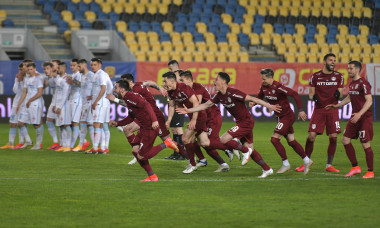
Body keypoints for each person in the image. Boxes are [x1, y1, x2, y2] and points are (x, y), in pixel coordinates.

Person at [177, 72, 281, 178]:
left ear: (223, 82)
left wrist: (269, 106)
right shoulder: (219, 95)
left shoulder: (233, 92)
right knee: (251, 149)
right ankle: (267, 169)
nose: (214, 82)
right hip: (241, 122)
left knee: (224, 139)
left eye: (216, 79)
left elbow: (253, 99)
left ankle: (244, 151)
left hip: (246, 123)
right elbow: (205, 105)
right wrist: (189, 110)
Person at [109, 80, 179, 182]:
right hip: (143, 128)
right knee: (135, 151)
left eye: (116, 88)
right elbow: (131, 117)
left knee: (142, 156)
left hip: (150, 128)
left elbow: (147, 105)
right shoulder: (128, 99)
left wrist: (154, 120)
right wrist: (117, 123)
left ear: (122, 89)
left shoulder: (131, 96)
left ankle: (166, 143)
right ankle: (152, 176)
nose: (114, 90)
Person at [255, 68, 313, 175]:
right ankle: (306, 160)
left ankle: (286, 164)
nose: (262, 81)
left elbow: (295, 94)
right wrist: (253, 103)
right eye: (261, 79)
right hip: (279, 117)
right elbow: (259, 97)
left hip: (287, 116)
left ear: (271, 77)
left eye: (264, 79)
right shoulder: (264, 87)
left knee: (274, 139)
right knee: (291, 141)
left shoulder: (278, 87)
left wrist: (300, 110)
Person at [107, 73, 173, 164]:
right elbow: (150, 83)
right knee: (127, 129)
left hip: (152, 115)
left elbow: (130, 103)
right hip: (144, 115)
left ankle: (187, 156)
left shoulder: (134, 92)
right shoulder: (140, 84)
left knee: (167, 139)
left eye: (124, 82)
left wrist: (115, 100)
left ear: (130, 82)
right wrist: (160, 88)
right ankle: (137, 152)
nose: (123, 84)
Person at [326, 61, 374, 179]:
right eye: (348, 68)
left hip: (364, 118)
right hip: (354, 116)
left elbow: (369, 100)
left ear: (358, 70)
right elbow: (349, 97)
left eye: (351, 68)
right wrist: (337, 105)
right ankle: (355, 167)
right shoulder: (352, 83)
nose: (349, 70)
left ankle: (370, 172)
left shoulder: (363, 83)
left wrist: (360, 114)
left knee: (365, 144)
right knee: (345, 140)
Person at [296, 53, 343, 173]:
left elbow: (341, 94)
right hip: (319, 110)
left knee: (333, 137)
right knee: (311, 137)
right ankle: (306, 163)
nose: (333, 62)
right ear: (324, 62)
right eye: (330, 60)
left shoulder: (339, 76)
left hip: (332, 110)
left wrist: (338, 94)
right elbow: (311, 95)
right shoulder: (315, 76)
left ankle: (329, 165)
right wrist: (315, 98)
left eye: (334, 60)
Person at [179, 70, 230, 172]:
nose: (179, 82)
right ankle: (205, 160)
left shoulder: (197, 87)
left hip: (211, 117)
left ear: (189, 80)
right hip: (202, 117)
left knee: (206, 143)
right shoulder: (183, 89)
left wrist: (193, 119)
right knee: (194, 140)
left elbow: (197, 104)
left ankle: (231, 146)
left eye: (181, 80)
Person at [1, 63, 31, 149]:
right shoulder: (18, 77)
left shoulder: (27, 79)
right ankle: (10, 144)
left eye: (22, 70)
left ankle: (25, 141)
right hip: (16, 102)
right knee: (12, 123)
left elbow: (25, 91)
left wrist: (21, 81)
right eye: (19, 69)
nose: (20, 71)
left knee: (21, 123)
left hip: (23, 103)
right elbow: (14, 90)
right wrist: (18, 81)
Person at [15, 62, 44, 150]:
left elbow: (40, 92)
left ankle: (38, 144)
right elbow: (24, 92)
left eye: (31, 69)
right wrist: (19, 104)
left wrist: (30, 100)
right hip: (26, 104)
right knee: (20, 123)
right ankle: (28, 141)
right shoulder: (27, 79)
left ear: (35, 69)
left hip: (35, 103)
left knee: (36, 124)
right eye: (28, 70)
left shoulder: (38, 78)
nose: (30, 71)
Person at [85, 58, 108, 154]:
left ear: (99, 65)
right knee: (99, 125)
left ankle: (95, 148)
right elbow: (98, 89)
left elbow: (103, 89)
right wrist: (93, 97)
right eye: (92, 64)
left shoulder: (101, 75)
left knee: (97, 125)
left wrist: (96, 101)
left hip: (100, 103)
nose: (93, 66)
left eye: (95, 64)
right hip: (97, 102)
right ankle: (101, 148)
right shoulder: (96, 75)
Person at [165, 60, 186, 160]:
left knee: (178, 129)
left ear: (175, 66)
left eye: (170, 68)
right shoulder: (172, 77)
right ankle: (176, 152)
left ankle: (182, 153)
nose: (170, 70)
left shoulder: (181, 75)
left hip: (179, 105)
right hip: (172, 103)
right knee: (173, 129)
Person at [72, 59, 92, 152]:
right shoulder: (82, 76)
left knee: (89, 124)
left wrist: (93, 96)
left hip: (90, 104)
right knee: (84, 123)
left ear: (84, 65)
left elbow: (99, 87)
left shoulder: (91, 75)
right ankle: (82, 145)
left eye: (79, 66)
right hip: (84, 104)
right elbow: (83, 86)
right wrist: (76, 82)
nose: (78, 68)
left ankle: (95, 146)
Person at [53, 62, 72, 152]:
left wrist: (60, 106)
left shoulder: (66, 79)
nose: (57, 69)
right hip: (58, 104)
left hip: (64, 105)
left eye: (59, 68)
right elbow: (57, 93)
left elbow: (65, 94)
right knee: (61, 125)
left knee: (66, 125)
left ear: (64, 69)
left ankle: (68, 145)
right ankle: (63, 145)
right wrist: (54, 104)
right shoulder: (59, 78)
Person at [43, 61, 60, 150]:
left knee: (66, 124)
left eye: (48, 68)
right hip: (54, 101)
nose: (46, 70)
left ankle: (84, 142)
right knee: (49, 121)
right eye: (45, 69)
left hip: (61, 102)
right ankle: (56, 142)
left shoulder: (58, 76)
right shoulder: (49, 78)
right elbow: (44, 85)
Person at [66, 59, 82, 150]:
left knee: (75, 123)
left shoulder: (79, 75)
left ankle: (71, 146)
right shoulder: (73, 75)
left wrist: (72, 81)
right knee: (72, 123)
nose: (72, 67)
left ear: (78, 66)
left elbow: (81, 85)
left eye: (74, 65)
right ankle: (83, 142)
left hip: (77, 100)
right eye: (71, 65)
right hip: (72, 100)